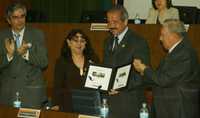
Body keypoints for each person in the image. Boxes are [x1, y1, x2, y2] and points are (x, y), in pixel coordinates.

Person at [134, 19, 199, 118]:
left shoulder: (185, 53)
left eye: (162, 35)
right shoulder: (177, 51)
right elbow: (159, 77)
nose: (160, 38)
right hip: (169, 107)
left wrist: (145, 69)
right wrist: (143, 72)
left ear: (173, 36)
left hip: (178, 109)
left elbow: (164, 80)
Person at [103, 5, 150, 118]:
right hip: (111, 102)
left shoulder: (138, 42)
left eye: (115, 22)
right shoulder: (107, 41)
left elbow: (142, 75)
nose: (111, 26)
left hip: (130, 103)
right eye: (109, 22)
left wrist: (119, 86)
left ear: (125, 21)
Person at [0, 2, 48, 108]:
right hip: (8, 93)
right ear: (8, 20)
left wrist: (26, 54)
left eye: (22, 16)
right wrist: (9, 55)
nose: (20, 20)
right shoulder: (1, 36)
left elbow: (44, 62)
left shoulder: (37, 34)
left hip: (31, 93)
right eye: (15, 17)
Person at [52, 29, 99, 112]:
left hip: (90, 104)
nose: (79, 44)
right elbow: (57, 86)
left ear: (85, 44)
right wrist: (56, 104)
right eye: (75, 40)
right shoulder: (62, 62)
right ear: (69, 43)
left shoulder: (93, 60)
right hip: (68, 106)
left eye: (82, 41)